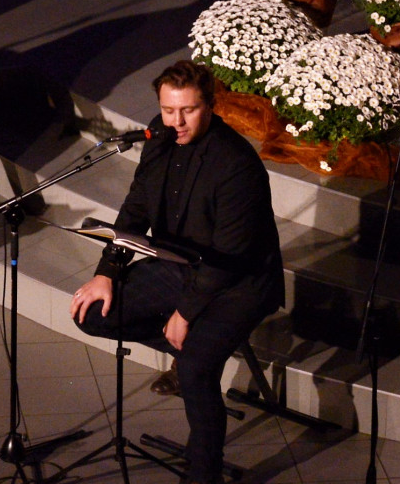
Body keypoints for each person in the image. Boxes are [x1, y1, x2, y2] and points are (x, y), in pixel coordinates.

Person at [68, 60, 284, 484]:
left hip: (238, 283)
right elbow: (137, 205)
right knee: (92, 314)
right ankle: (192, 349)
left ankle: (203, 475)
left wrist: (184, 314)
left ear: (211, 107)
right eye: (169, 110)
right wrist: (107, 272)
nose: (176, 121)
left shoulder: (237, 164)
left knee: (195, 371)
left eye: (188, 110)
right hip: (180, 266)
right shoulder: (160, 136)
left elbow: (229, 255)